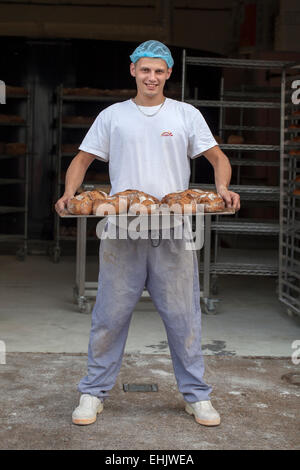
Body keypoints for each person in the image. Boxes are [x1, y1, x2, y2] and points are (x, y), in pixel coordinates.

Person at [55, 40, 240, 427]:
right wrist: (70, 193)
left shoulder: (186, 115)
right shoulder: (113, 116)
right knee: (109, 315)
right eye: (145, 70)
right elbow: (82, 158)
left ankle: (197, 397)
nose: (151, 77)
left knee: (183, 317)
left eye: (159, 70)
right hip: (122, 231)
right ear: (133, 71)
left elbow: (218, 158)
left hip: (173, 231)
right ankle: (93, 392)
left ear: (169, 73)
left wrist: (223, 189)